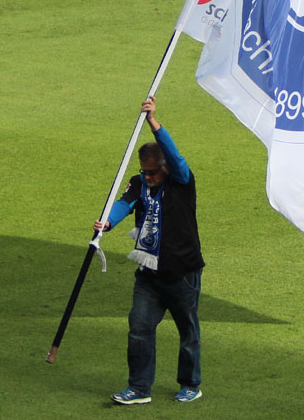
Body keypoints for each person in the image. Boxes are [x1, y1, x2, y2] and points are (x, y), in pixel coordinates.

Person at [93, 96, 204, 405]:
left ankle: (190, 384)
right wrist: (107, 223)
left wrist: (154, 122)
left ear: (165, 168)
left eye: (153, 172)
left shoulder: (181, 181)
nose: (148, 177)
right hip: (149, 275)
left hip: (183, 273)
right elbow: (124, 204)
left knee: (188, 334)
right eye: (144, 172)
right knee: (139, 329)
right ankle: (139, 389)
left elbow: (176, 157)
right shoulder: (140, 183)